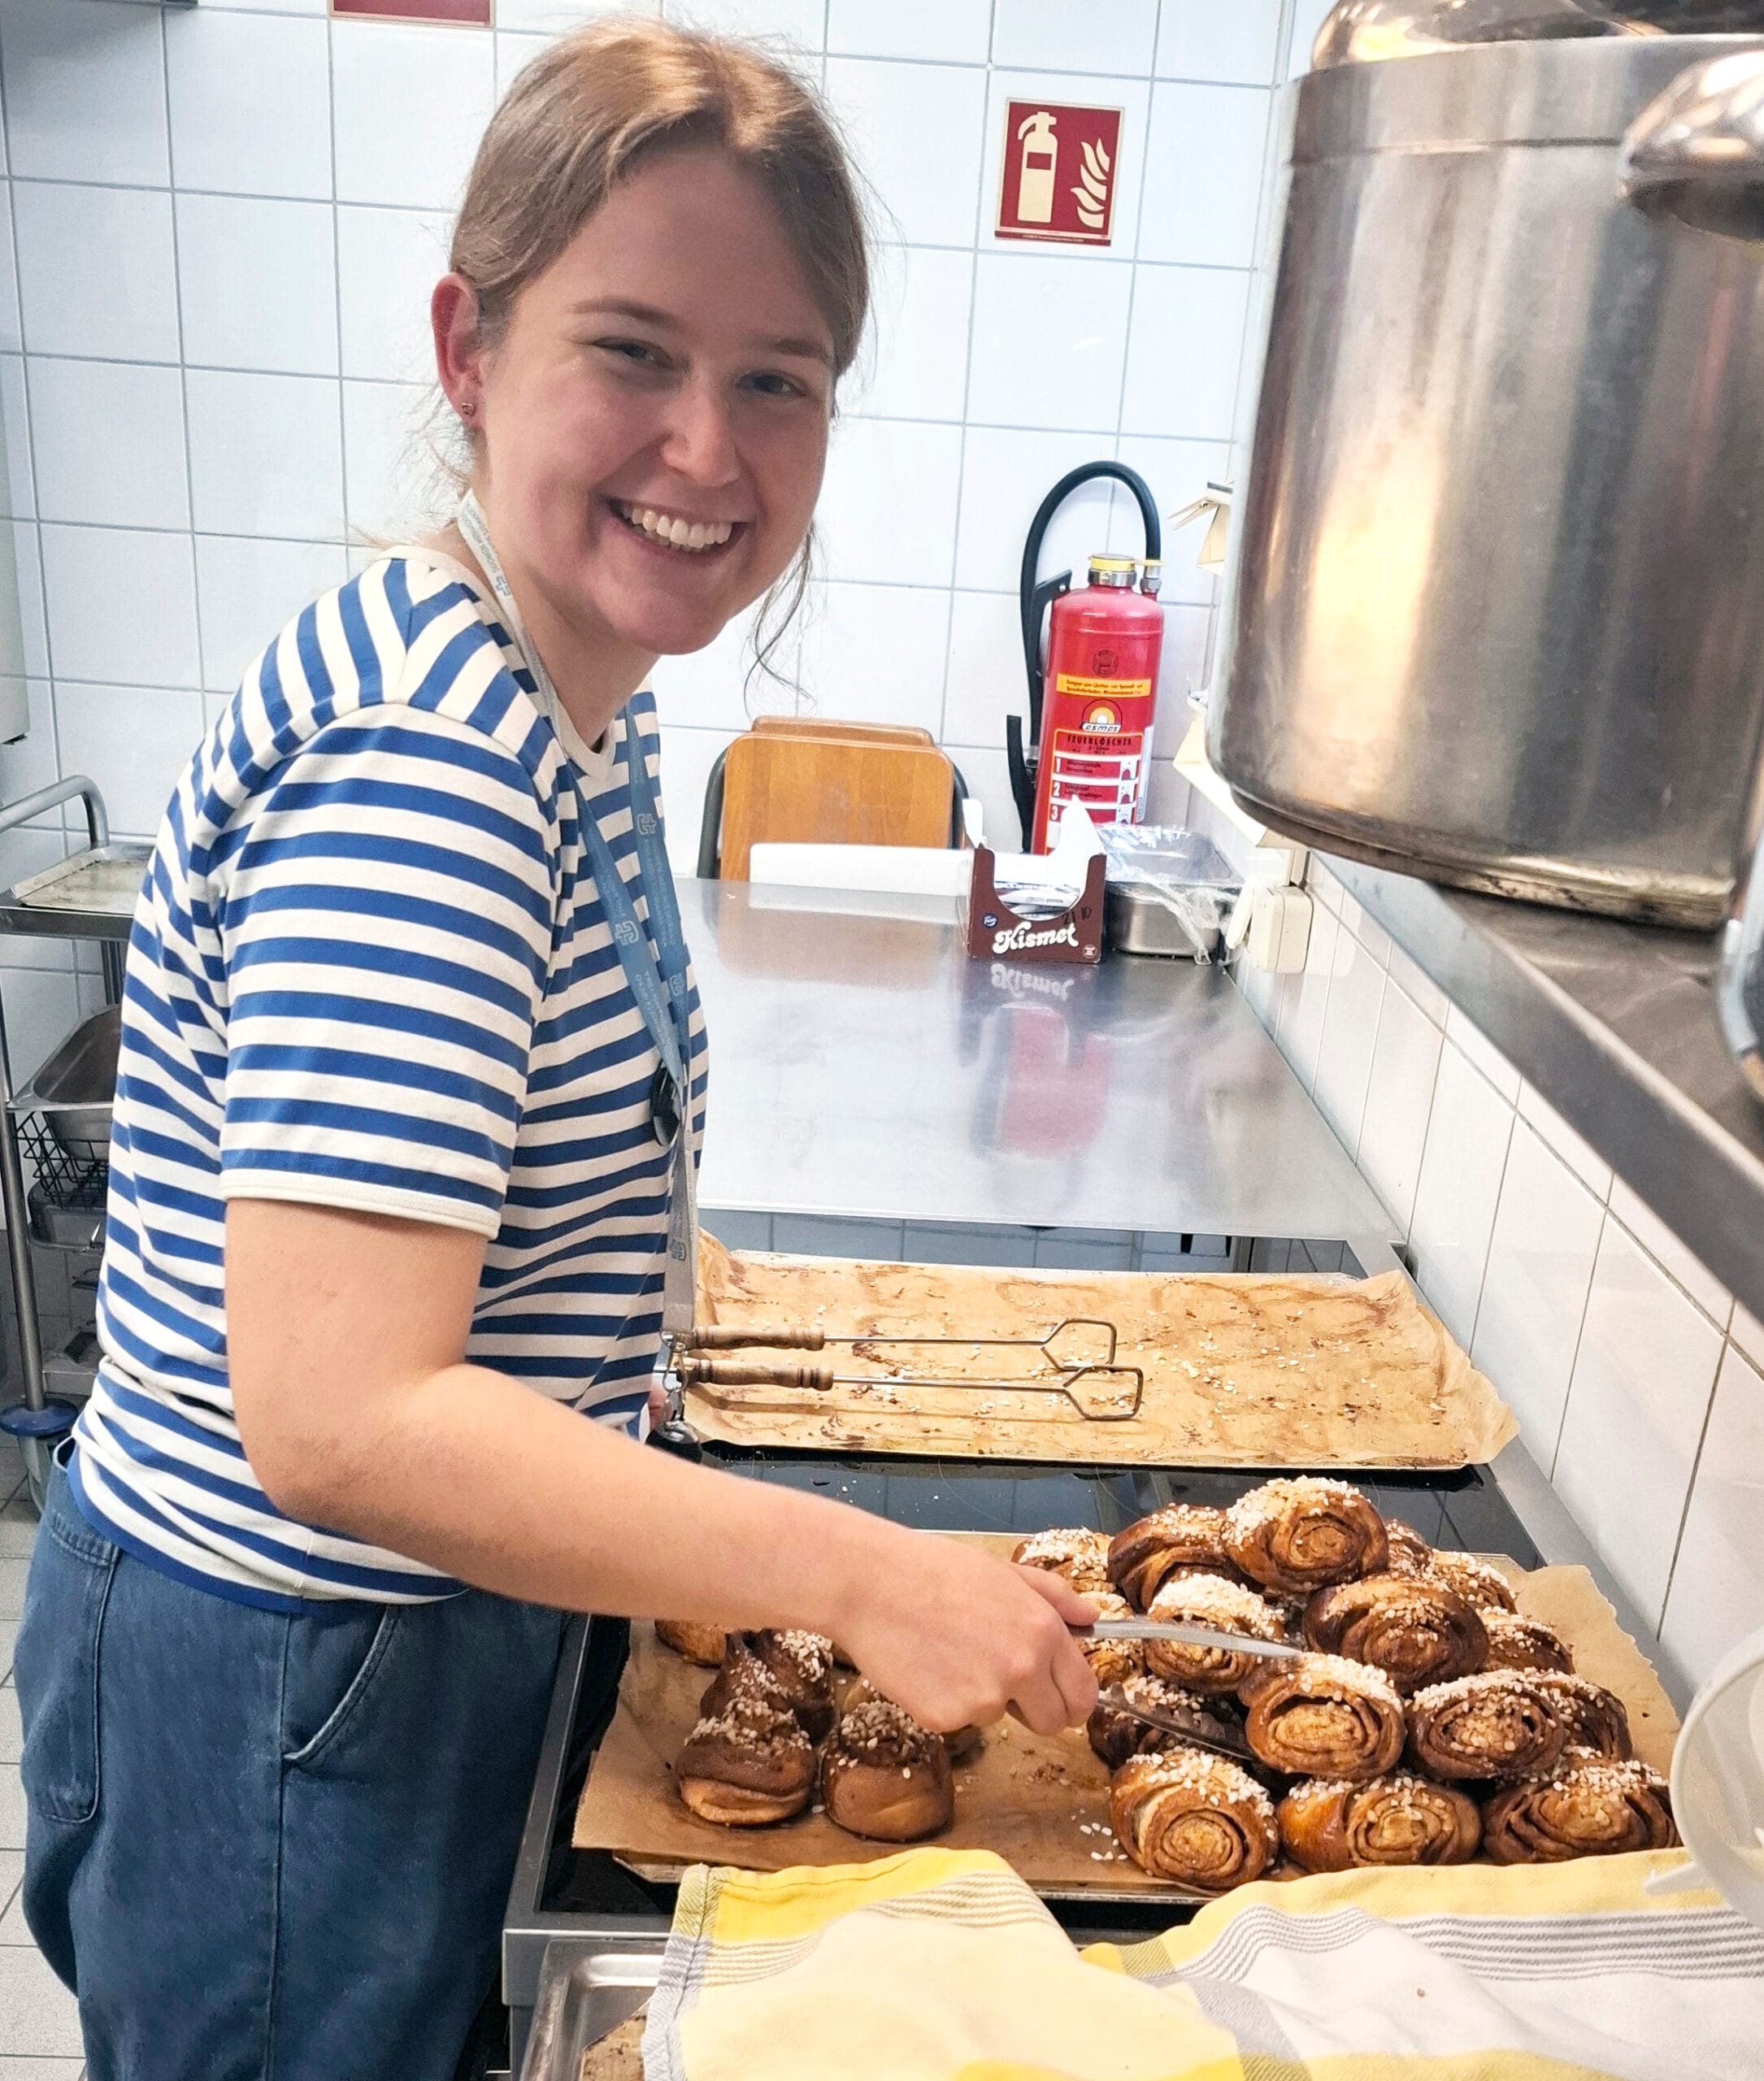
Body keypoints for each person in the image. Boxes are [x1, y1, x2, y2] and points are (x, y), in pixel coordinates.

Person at [11, 22, 1097, 2081]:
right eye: (634, 351)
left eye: (776, 379)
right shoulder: (433, 760)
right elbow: (341, 1414)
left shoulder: (573, 695)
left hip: (388, 1640)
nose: (709, 447)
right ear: (468, 345)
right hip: (302, 1679)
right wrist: (854, 1572)